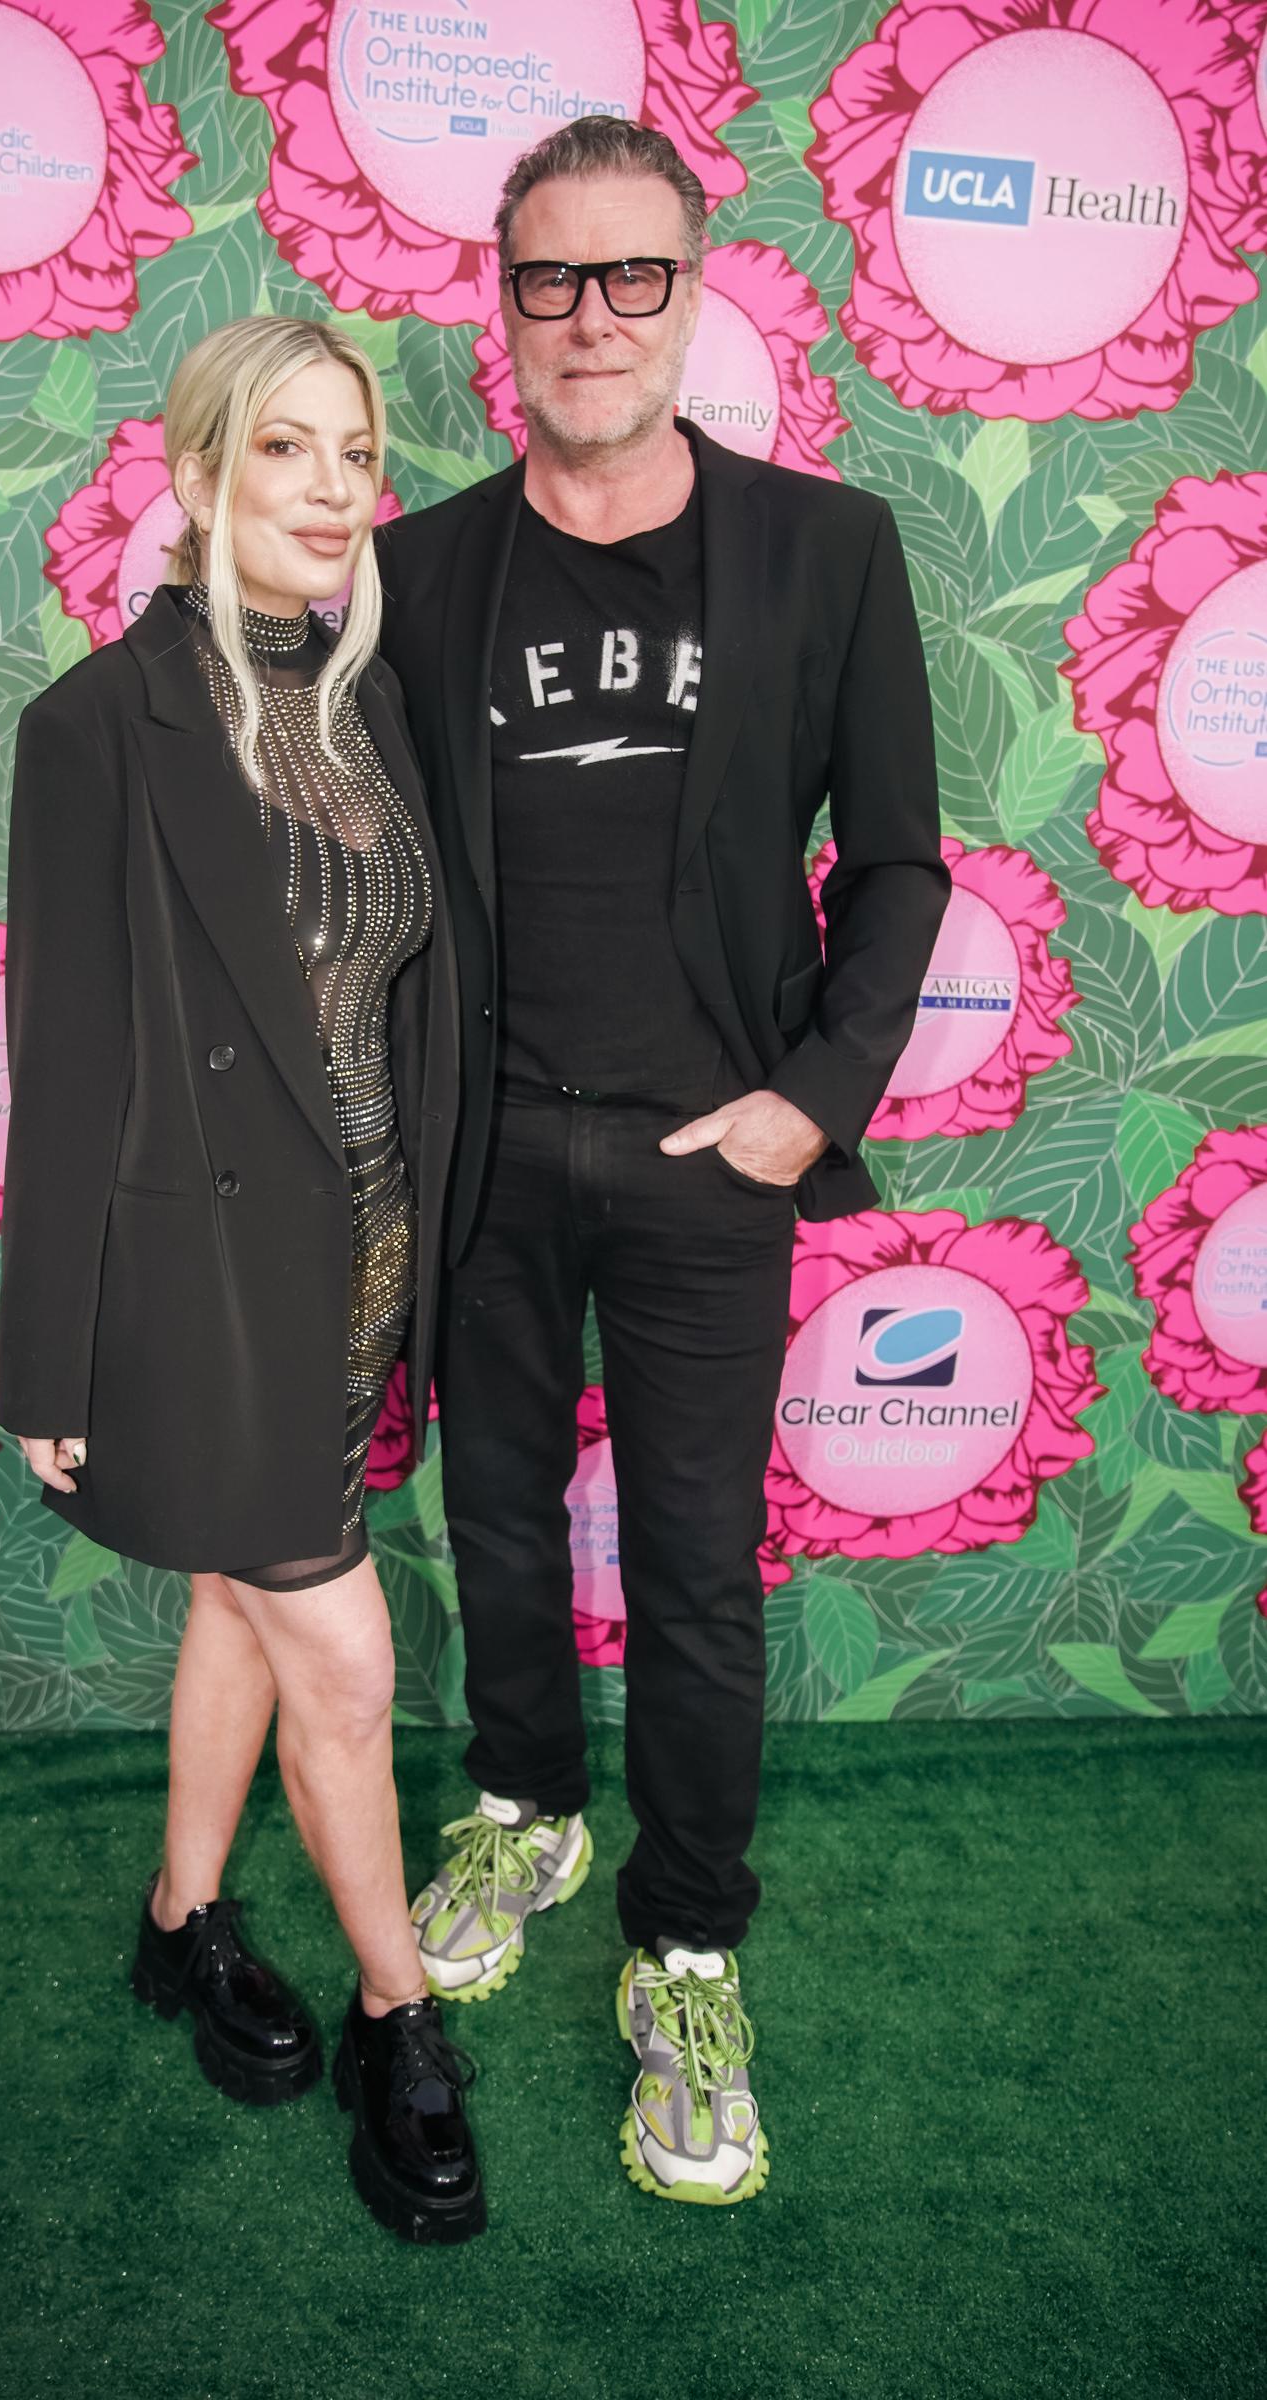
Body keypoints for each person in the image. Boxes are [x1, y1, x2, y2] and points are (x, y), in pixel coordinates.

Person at [375, 117, 949, 2207]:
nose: (593, 317)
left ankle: (690, 1943)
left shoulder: (827, 549)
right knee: (498, 1526)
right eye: (553, 277)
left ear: (695, 295)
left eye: (635, 276)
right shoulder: (419, 567)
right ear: (504, 303)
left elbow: (897, 861)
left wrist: (815, 1097)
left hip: (716, 1157)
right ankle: (527, 1805)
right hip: (486, 1154)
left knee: (699, 1570)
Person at [0, 316, 481, 2245]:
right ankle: (397, 2018)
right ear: (199, 473)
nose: (335, 488)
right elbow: (68, 1059)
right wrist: (49, 1356)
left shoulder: (371, 707)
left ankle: (180, 1920)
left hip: (364, 1264)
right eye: (286, 448)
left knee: (234, 1601)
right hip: (208, 1282)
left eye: (356, 453)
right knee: (343, 1667)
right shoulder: (98, 726)